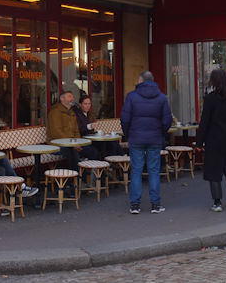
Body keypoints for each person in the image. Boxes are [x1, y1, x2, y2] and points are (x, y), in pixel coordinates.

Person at [121, 70, 172, 215]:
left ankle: (135, 205)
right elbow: (167, 120)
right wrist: (161, 133)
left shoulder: (131, 96)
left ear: (141, 80)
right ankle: (155, 204)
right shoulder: (162, 98)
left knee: (136, 170)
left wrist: (128, 134)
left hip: (136, 138)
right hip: (155, 138)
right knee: (154, 171)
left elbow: (125, 118)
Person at [196, 68, 226, 212]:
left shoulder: (210, 99)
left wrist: (199, 142)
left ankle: (217, 202)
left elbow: (204, 122)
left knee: (214, 171)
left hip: (214, 139)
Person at [48, 91, 96, 166]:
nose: (72, 99)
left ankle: (94, 176)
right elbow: (57, 132)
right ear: (62, 99)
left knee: (92, 151)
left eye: (73, 97)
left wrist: (77, 143)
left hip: (72, 143)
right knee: (73, 152)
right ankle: (75, 176)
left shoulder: (72, 112)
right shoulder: (55, 112)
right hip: (56, 145)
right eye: (69, 96)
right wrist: (72, 144)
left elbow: (76, 131)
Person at [73, 94, 120, 159]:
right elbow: (78, 129)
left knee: (112, 142)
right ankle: (106, 163)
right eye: (85, 104)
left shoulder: (90, 114)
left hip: (92, 138)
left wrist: (97, 131)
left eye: (89, 104)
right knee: (104, 145)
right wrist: (89, 126)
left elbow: (94, 127)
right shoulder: (76, 114)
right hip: (84, 140)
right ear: (80, 105)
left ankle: (114, 161)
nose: (88, 106)